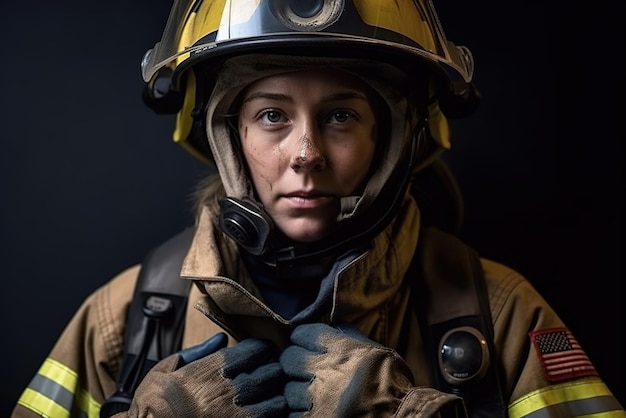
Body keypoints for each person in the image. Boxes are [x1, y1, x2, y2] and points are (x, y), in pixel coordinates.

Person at [11, 1, 625, 417]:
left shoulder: (500, 314)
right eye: (272, 115)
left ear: (391, 139)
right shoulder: (128, 318)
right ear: (230, 139)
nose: (305, 154)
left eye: (340, 116)